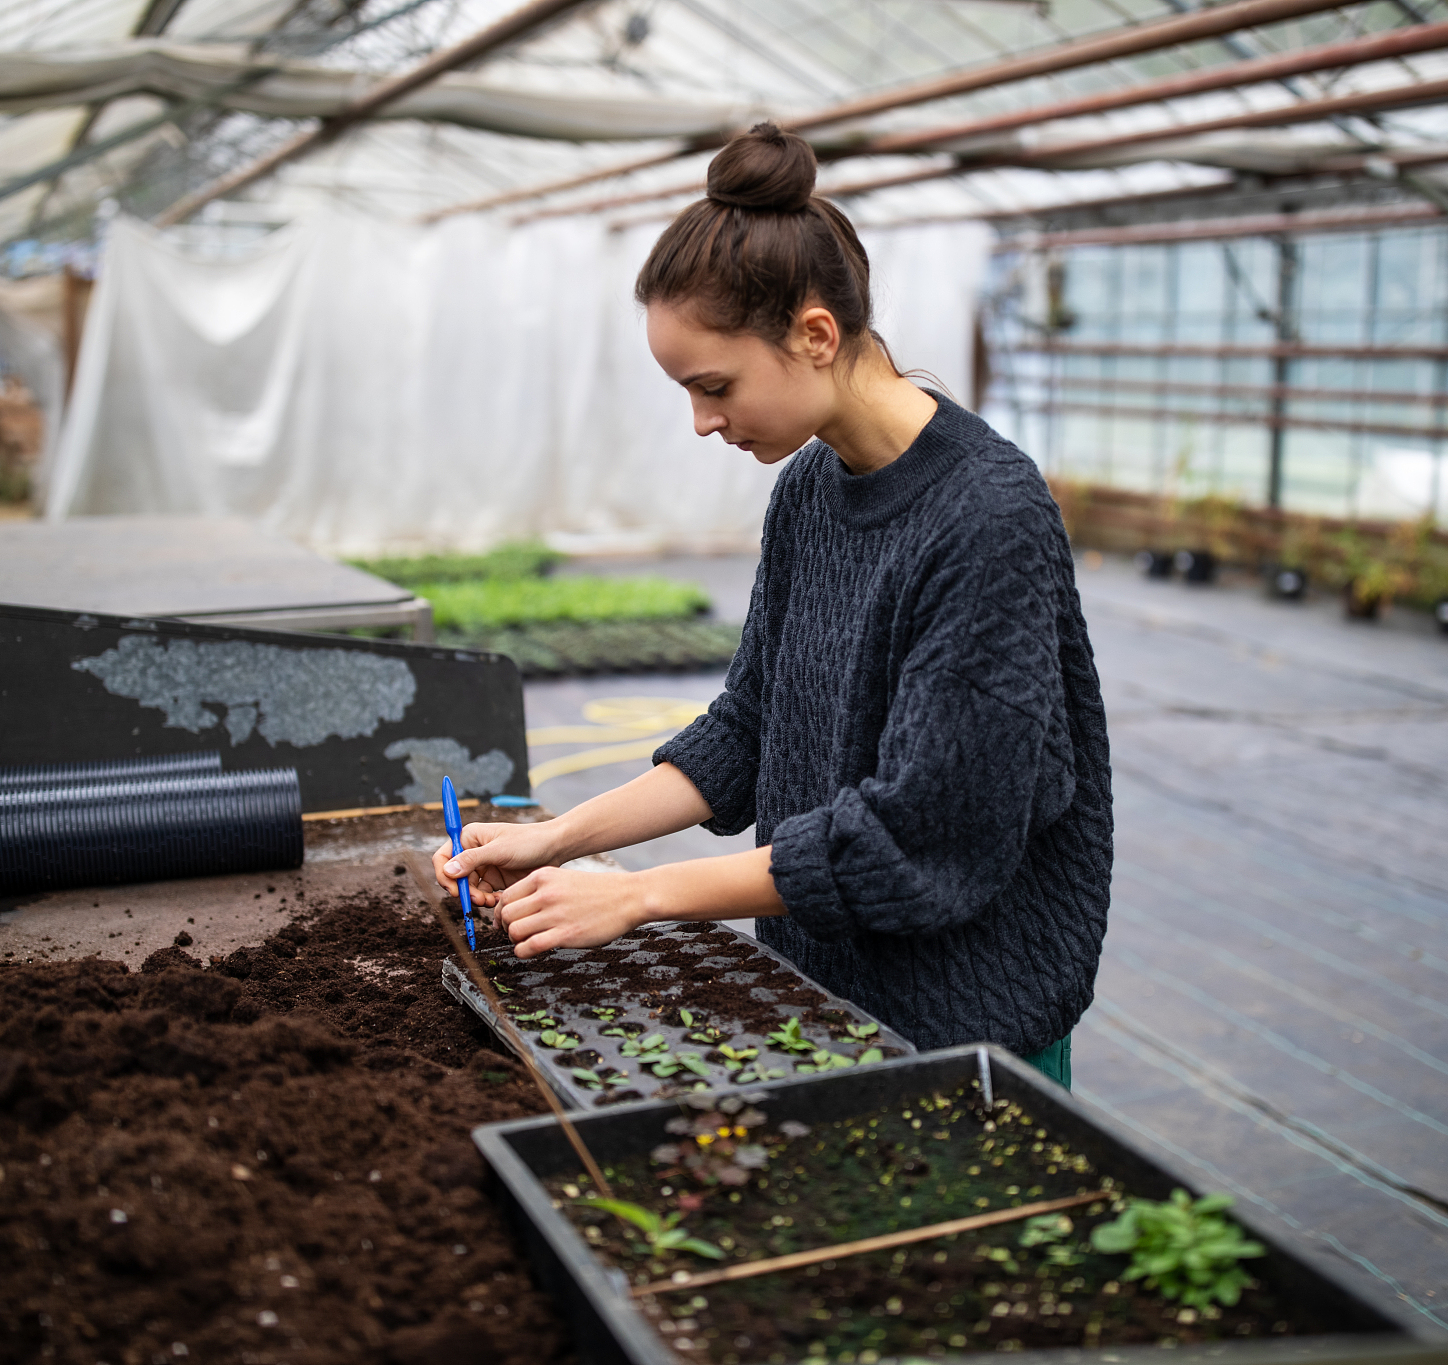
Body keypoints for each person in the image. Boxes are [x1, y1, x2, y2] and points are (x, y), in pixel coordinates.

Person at [434, 123, 1112, 1087]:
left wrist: (642, 897)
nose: (704, 421)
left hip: (966, 1024)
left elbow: (923, 830)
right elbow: (748, 731)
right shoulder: (811, 489)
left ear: (815, 335)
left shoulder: (985, 517)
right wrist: (556, 837)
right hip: (819, 994)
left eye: (715, 386)